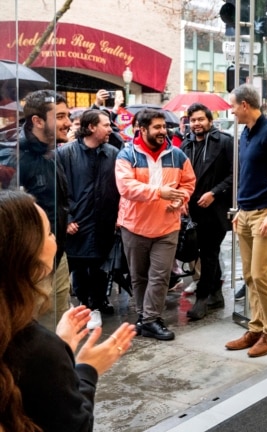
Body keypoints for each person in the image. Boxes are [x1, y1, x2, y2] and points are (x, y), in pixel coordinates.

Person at [0, 189, 136, 432]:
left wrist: (60, 347)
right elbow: (74, 426)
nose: (55, 239)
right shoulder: (35, 348)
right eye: (50, 233)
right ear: (27, 252)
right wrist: (85, 369)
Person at [115, 108, 196, 341]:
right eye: (157, 127)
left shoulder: (178, 155)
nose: (163, 131)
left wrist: (181, 197)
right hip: (134, 226)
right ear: (142, 129)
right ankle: (145, 318)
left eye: (164, 126)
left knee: (160, 276)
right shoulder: (126, 155)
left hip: (167, 227)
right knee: (138, 277)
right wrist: (160, 193)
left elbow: (189, 183)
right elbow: (126, 187)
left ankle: (150, 320)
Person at [225, 84, 267, 357]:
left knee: (261, 275)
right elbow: (247, 175)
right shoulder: (246, 133)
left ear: (244, 105)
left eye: (232, 106)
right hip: (247, 211)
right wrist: (240, 209)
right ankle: (255, 327)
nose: (231, 112)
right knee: (250, 275)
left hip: (266, 212)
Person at [2, 89, 72, 324]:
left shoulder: (52, 152)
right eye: (60, 116)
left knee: (58, 327)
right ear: (37, 121)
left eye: (68, 116)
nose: (68, 123)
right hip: (30, 264)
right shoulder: (16, 158)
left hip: (58, 255)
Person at [58, 109, 121, 315]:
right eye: (106, 125)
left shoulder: (112, 153)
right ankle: (84, 303)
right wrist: (67, 218)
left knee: (101, 265)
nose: (110, 129)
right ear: (91, 127)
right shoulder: (65, 153)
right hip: (77, 223)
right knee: (78, 266)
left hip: (104, 222)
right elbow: (59, 190)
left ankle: (100, 300)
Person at [181, 102, 234, 320]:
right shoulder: (186, 146)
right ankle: (216, 294)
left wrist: (214, 192)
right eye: (193, 120)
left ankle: (203, 298)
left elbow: (235, 174)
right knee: (201, 253)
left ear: (210, 121)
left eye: (201, 119)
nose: (197, 124)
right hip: (192, 210)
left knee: (209, 252)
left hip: (215, 209)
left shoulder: (224, 142)